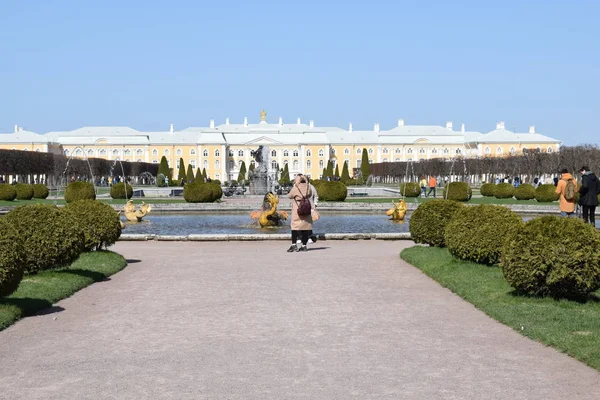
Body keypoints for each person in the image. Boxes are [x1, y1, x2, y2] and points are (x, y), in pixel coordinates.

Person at [287, 174, 313, 252]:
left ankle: (294, 245)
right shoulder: (308, 187)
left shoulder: (296, 187)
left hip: (298, 207)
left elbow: (290, 196)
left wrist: (295, 186)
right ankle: (304, 246)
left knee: (294, 227)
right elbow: (310, 194)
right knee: (305, 227)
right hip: (306, 207)